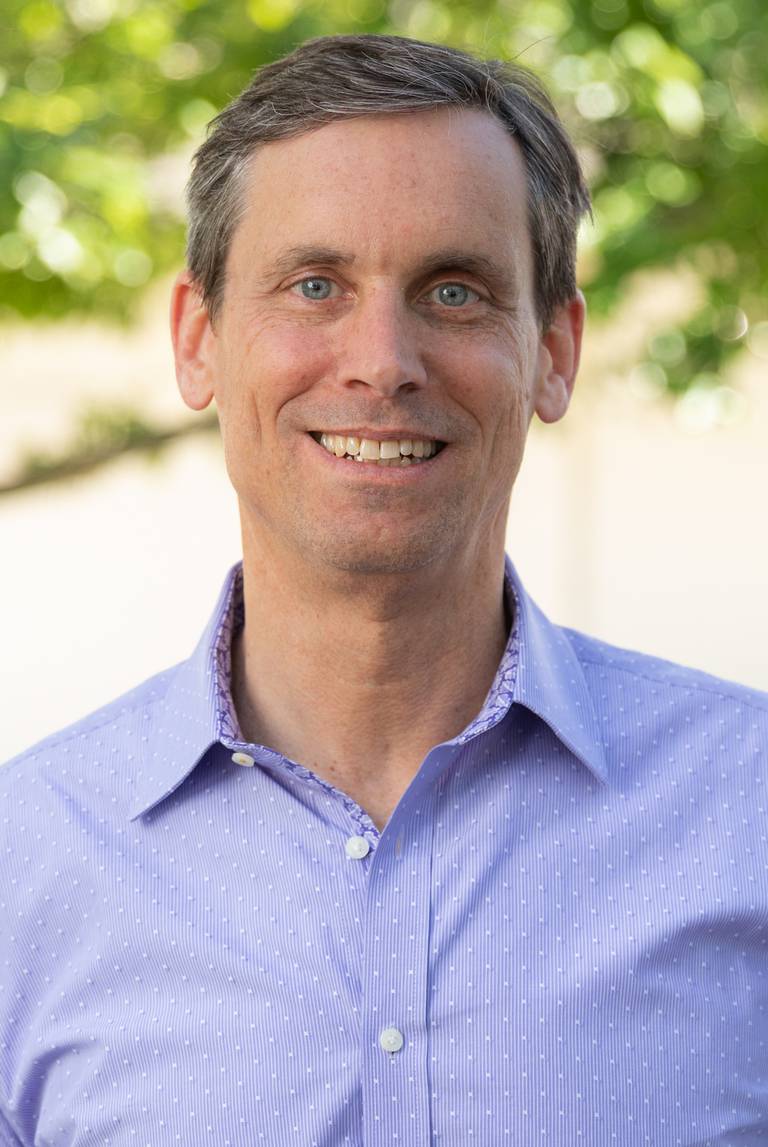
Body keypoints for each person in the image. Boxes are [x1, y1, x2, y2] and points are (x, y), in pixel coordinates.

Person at [1, 32, 767, 1147]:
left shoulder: (749, 814)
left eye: (453, 292)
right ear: (199, 339)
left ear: (553, 351)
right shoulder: (25, 869)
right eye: (315, 285)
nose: (382, 362)